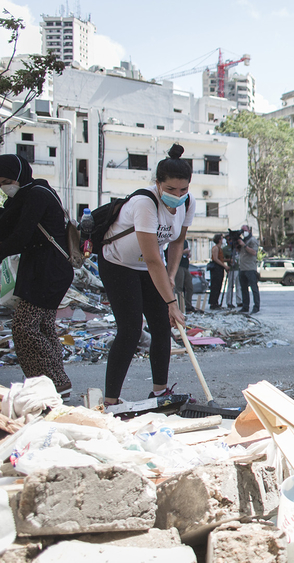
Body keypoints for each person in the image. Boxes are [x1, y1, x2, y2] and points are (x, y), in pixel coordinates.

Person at [98, 143, 195, 406]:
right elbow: (153, 258)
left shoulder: (188, 204)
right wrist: (171, 302)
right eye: (171, 189)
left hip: (149, 266)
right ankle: (110, 400)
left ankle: (160, 391)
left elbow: (176, 243)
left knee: (163, 326)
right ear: (158, 183)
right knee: (130, 329)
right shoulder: (144, 203)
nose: (178, 194)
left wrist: (171, 278)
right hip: (118, 263)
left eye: (183, 189)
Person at [0, 154, 74, 395]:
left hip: (48, 269)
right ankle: (55, 383)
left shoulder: (35, 195)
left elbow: (20, 236)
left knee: (24, 327)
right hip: (44, 268)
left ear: (20, 176)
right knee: (42, 327)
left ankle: (49, 382)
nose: (5, 187)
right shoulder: (30, 193)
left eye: (7, 181)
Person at [236, 225, 260, 314]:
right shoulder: (243, 240)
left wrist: (244, 245)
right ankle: (245, 306)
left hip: (250, 268)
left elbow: (254, 252)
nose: (243, 232)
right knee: (243, 288)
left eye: (244, 230)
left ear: (249, 230)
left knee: (254, 288)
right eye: (242, 230)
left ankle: (256, 306)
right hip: (242, 268)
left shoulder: (252, 240)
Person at [173, 239, 194, 312]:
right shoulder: (174, 240)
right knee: (179, 287)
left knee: (189, 286)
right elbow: (172, 253)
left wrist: (187, 254)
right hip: (178, 265)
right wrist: (182, 252)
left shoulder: (185, 241)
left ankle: (188, 305)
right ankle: (179, 306)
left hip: (185, 265)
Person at [208, 233, 228, 310]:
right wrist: (224, 266)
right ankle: (213, 303)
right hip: (216, 268)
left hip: (220, 268)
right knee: (215, 285)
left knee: (219, 285)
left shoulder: (220, 248)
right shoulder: (215, 248)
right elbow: (216, 259)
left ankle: (216, 302)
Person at [223, 234, 242, 308]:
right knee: (231, 286)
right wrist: (229, 260)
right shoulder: (226, 249)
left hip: (239, 268)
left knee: (239, 286)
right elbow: (222, 258)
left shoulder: (237, 247)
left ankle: (239, 301)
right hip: (232, 269)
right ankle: (229, 301)